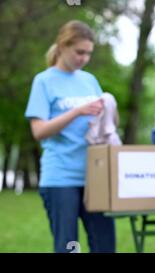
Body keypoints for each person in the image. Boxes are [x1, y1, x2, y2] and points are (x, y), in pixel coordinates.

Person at [24, 20, 115, 253]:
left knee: (105, 245)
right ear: (62, 46)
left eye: (88, 54)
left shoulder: (89, 80)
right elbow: (39, 130)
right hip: (61, 177)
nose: (84, 59)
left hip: (95, 177)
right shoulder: (44, 81)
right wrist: (76, 111)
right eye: (79, 52)